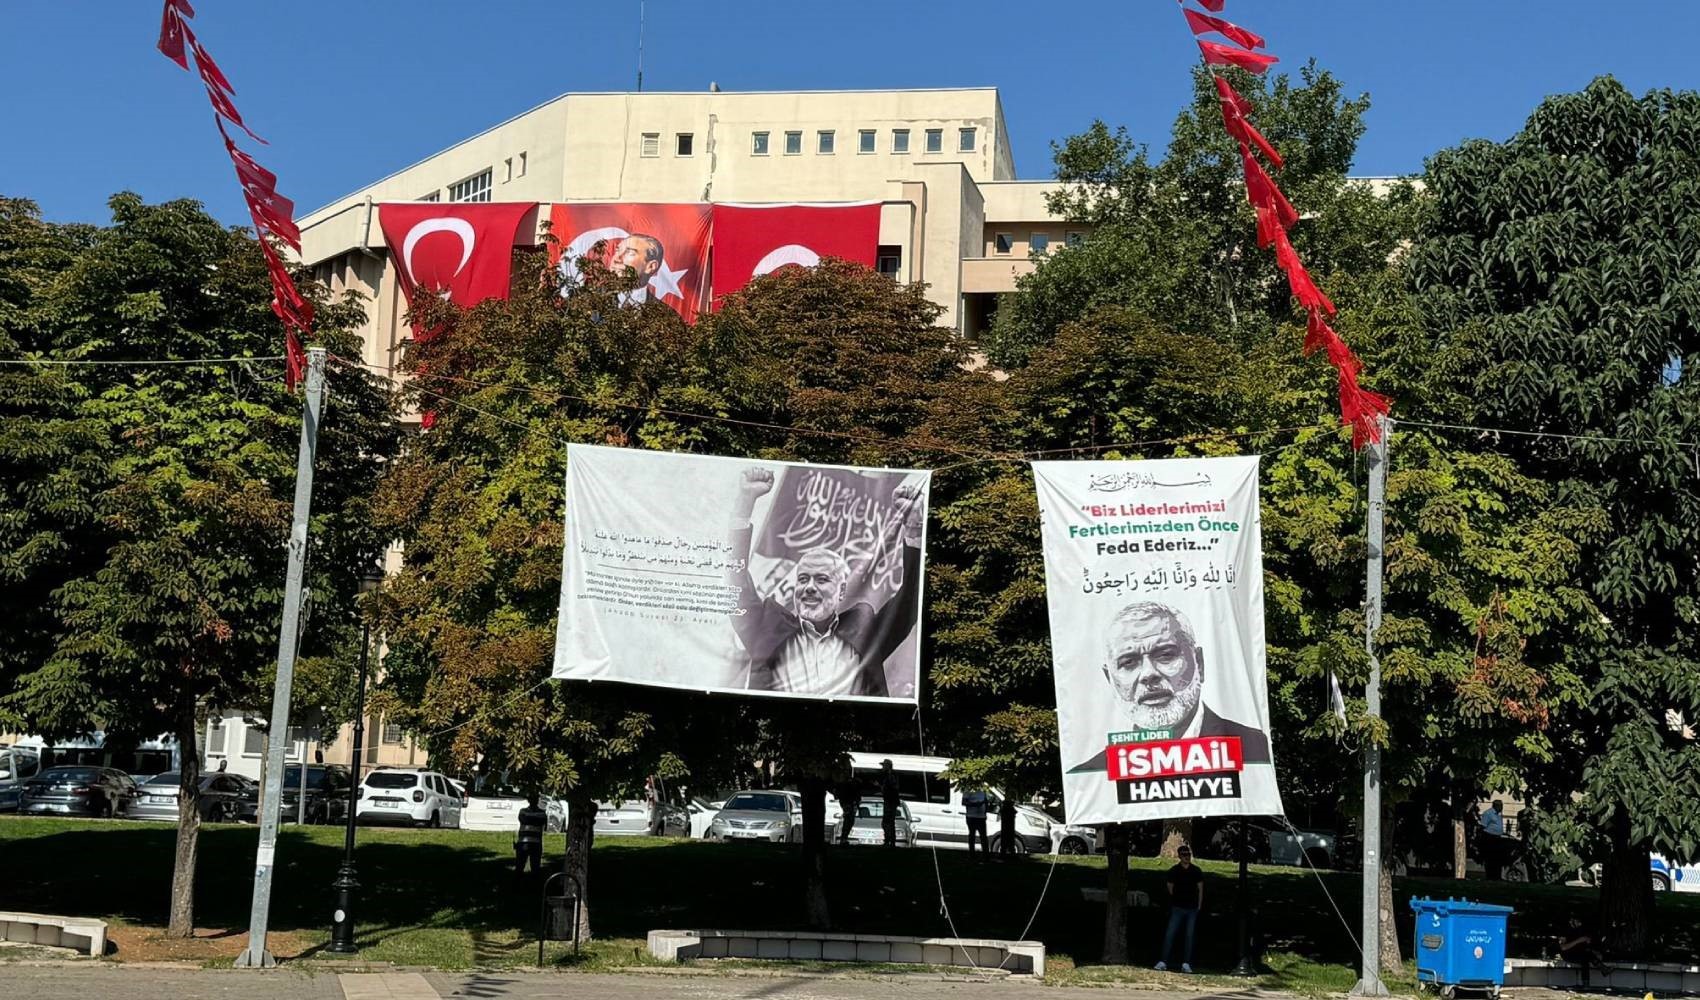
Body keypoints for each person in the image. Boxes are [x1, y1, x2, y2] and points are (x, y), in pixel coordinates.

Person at [726, 468, 924, 697]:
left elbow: (910, 599)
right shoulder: (767, 627)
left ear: (841, 591)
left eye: (822, 579)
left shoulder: (866, 631)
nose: (810, 587)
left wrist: (912, 529)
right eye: (803, 579)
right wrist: (744, 503)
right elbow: (735, 582)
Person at [1071, 602, 1271, 773]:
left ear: (1199, 663)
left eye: (1165, 655)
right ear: (1110, 679)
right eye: (1129, 662)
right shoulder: (1094, 774)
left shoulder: (1252, 748)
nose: (1149, 674)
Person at [1156, 845, 1203, 973]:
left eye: (1188, 854)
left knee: (1189, 935)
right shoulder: (1174, 871)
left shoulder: (1196, 871)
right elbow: (1170, 886)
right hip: (1178, 907)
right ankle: (1163, 961)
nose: (1186, 857)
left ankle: (1186, 963)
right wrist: (1176, 898)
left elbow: (1200, 889)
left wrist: (1199, 904)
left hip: (1192, 907)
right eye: (1183, 854)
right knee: (1170, 934)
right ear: (1179, 856)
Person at [1557, 915, 1604, 986]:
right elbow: (1563, 948)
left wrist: (1595, 952)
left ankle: (1587, 983)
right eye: (1577, 922)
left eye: (1579, 922)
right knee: (1584, 959)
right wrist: (1579, 940)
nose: (1579, 924)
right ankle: (1601, 968)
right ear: (1571, 921)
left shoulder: (1580, 930)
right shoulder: (1564, 931)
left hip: (1579, 953)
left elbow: (1585, 946)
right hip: (1567, 954)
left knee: (1585, 957)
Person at [515, 793, 547, 881]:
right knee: (520, 865)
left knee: (535, 866)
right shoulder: (523, 811)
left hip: (535, 842)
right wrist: (534, 819)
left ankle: (533, 884)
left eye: (535, 799)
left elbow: (541, 821)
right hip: (523, 842)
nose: (534, 801)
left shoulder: (542, 812)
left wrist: (530, 819)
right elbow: (523, 819)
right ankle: (517, 883)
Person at [1479, 799, 1506, 880]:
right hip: (1489, 838)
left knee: (1498, 858)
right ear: (1496, 806)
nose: (1502, 808)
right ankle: (1490, 876)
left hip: (1498, 838)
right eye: (1500, 806)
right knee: (1490, 859)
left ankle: (1497, 876)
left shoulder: (1499, 814)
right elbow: (1483, 826)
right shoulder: (1488, 813)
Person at [962, 785, 990, 856]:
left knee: (983, 836)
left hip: (981, 817)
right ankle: (972, 853)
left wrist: (985, 812)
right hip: (971, 816)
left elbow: (985, 801)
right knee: (972, 836)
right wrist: (974, 804)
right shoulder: (968, 789)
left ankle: (986, 854)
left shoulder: (983, 789)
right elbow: (964, 802)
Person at [880, 760, 901, 847]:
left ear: (888, 766)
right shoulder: (890, 775)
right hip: (890, 800)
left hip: (890, 801)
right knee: (889, 822)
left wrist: (882, 787)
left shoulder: (891, 775)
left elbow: (893, 787)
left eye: (884, 765)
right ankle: (890, 841)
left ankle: (889, 841)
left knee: (887, 822)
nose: (882, 767)